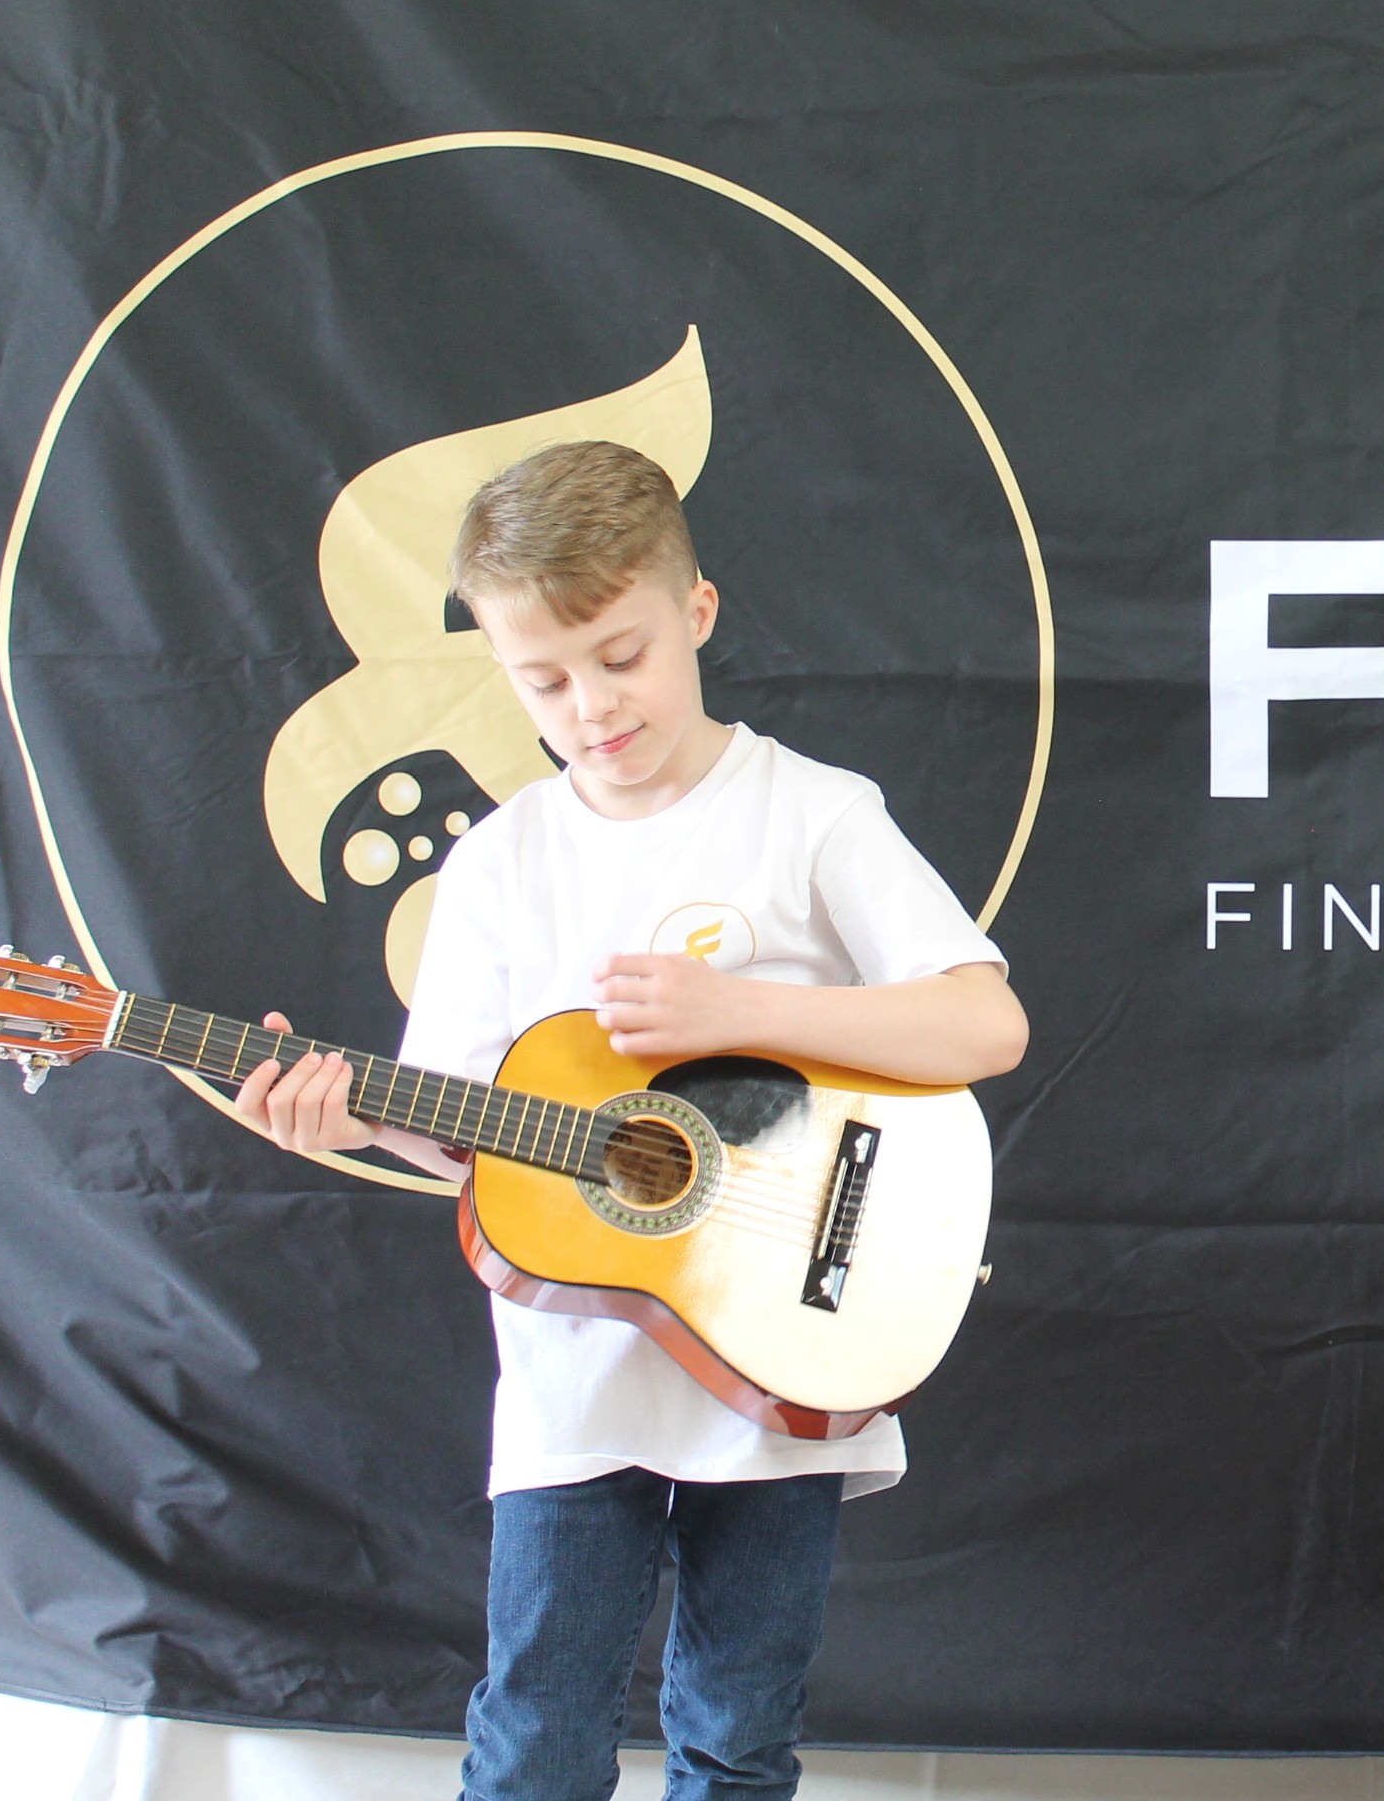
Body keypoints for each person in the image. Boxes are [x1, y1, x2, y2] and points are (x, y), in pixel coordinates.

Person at [233, 439, 1028, 1800]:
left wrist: (742, 1016)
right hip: (575, 1385)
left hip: (784, 1354)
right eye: (543, 678)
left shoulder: (814, 815)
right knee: (536, 1737)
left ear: (697, 613)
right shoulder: (499, 865)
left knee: (735, 1736)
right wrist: (351, 1119)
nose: (592, 705)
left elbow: (983, 1025)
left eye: (620, 655)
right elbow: (467, 1126)